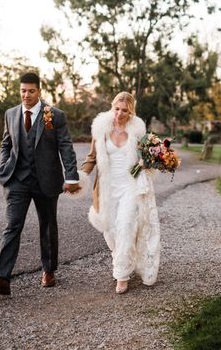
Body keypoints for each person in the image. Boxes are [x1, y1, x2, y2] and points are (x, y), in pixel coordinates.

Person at [0, 72, 80, 295]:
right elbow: (6, 144)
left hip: (46, 180)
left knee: (47, 226)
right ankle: (2, 278)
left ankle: (48, 270)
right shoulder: (11, 114)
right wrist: (4, 166)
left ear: (39, 91)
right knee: (12, 225)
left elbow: (65, 146)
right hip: (17, 181)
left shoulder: (55, 115)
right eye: (23, 91)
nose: (26, 95)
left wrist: (71, 176)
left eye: (31, 91)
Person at [80, 92, 160, 294]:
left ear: (130, 111)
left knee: (125, 225)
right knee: (111, 231)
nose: (120, 113)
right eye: (117, 108)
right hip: (107, 188)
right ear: (112, 106)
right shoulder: (101, 129)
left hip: (130, 186)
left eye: (125, 110)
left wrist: (156, 160)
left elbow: (148, 157)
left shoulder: (137, 130)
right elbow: (91, 158)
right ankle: (123, 258)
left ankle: (121, 275)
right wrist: (79, 176)